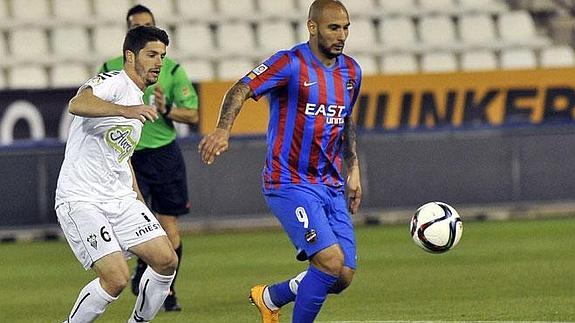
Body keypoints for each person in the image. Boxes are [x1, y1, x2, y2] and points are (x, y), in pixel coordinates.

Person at [198, 1, 362, 322]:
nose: (341, 35)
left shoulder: (352, 72)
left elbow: (345, 121)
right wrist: (222, 129)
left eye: (345, 28)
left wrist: (353, 171)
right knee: (328, 261)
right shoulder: (290, 63)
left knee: (342, 274)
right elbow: (241, 88)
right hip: (289, 182)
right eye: (334, 28)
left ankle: (271, 297)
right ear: (312, 27)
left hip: (330, 184)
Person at [55, 26, 178, 323]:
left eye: (162, 55)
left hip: (119, 199)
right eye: (151, 54)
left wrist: (137, 198)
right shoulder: (113, 83)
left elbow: (121, 158)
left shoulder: (139, 99)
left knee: (166, 260)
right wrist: (125, 111)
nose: (158, 62)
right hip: (81, 198)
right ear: (129, 56)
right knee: (117, 278)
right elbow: (77, 103)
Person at [100, 4, 199, 311]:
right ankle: (140, 267)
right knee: (130, 220)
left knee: (169, 223)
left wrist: (166, 109)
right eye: (135, 26)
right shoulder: (113, 67)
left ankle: (166, 291)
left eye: (146, 24)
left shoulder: (169, 69)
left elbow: (193, 113)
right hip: (128, 155)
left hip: (163, 153)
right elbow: (97, 107)